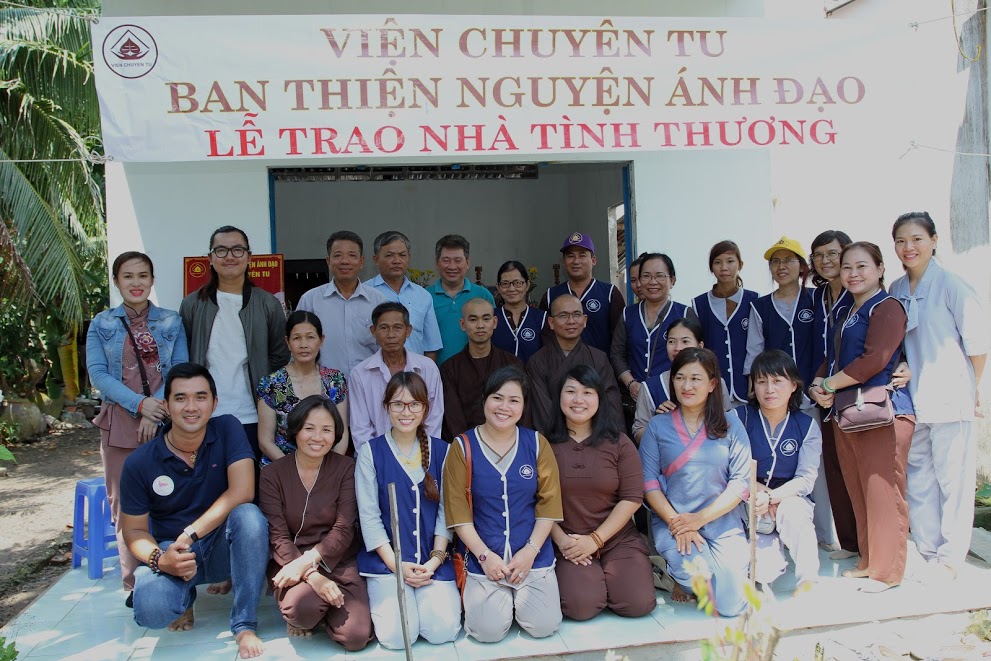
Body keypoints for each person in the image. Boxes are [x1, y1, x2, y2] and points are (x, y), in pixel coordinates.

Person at [119, 363, 269, 659]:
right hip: (173, 551)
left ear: (214, 403)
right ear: (166, 405)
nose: (191, 407)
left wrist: (190, 534)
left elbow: (243, 491)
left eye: (200, 397)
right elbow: (133, 530)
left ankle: (244, 624)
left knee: (250, 517)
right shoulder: (140, 463)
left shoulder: (227, 428)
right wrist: (160, 560)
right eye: (180, 398)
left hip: (221, 547)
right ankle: (183, 596)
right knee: (152, 611)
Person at [810, 241, 915, 593]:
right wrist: (818, 384)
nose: (853, 274)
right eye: (847, 268)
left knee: (883, 491)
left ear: (880, 269)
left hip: (882, 413)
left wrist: (829, 383)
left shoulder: (887, 307)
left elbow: (875, 360)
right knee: (860, 489)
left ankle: (887, 572)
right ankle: (869, 561)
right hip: (849, 412)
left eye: (862, 266)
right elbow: (833, 358)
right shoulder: (848, 311)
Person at [889, 212, 988, 580]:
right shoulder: (896, 289)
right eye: (901, 240)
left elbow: (977, 346)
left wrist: (971, 388)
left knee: (953, 481)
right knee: (919, 480)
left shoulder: (952, 286)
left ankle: (950, 558)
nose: (909, 247)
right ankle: (928, 551)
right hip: (911, 400)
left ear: (933, 240)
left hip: (950, 398)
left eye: (917, 238)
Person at [87, 251, 189, 598]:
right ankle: (135, 585)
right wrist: (141, 405)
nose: (136, 283)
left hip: (164, 423)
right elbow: (99, 375)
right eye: (128, 276)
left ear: (152, 280)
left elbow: (179, 369)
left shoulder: (172, 321)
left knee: (171, 500)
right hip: (119, 424)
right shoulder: (101, 324)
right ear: (116, 281)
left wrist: (154, 410)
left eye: (143, 275)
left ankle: (173, 577)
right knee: (125, 506)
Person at [443, 366, 564, 642]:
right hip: (484, 557)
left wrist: (530, 552)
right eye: (497, 398)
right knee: (487, 632)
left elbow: (548, 505)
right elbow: (458, 512)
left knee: (544, 626)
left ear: (523, 405)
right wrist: (484, 556)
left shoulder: (536, 444)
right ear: (484, 399)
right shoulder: (462, 447)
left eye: (514, 400)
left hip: (532, 555)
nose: (504, 407)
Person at [639, 348, 752, 617]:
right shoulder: (657, 426)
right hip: (674, 522)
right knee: (698, 576)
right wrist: (679, 523)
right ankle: (680, 575)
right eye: (680, 378)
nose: (686, 386)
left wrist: (699, 519)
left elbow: (740, 482)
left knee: (731, 606)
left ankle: (720, 574)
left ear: (712, 384)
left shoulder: (731, 424)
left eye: (695, 378)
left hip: (721, 521)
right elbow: (648, 482)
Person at [355, 372, 462, 649]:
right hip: (388, 562)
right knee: (397, 637)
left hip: (431, 561)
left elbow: (447, 513)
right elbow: (369, 517)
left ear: (425, 408)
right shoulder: (370, 452)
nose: (406, 412)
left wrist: (434, 561)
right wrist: (396, 565)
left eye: (415, 404)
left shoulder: (443, 451)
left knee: (443, 631)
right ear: (386, 407)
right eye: (398, 404)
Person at [258, 395, 372, 650]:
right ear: (296, 429)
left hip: (338, 560)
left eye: (326, 430)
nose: (317, 437)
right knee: (301, 610)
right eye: (309, 428)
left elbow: (344, 529)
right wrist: (310, 574)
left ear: (336, 434)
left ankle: (325, 610)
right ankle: (313, 611)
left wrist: (309, 563)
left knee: (356, 637)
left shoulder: (346, 468)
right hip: (290, 560)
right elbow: (278, 536)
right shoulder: (272, 474)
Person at [546, 365, 655, 621]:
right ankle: (595, 583)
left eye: (587, 392)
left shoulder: (619, 442)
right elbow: (533, 501)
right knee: (581, 606)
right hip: (568, 542)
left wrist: (595, 540)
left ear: (599, 398)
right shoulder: (543, 444)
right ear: (559, 396)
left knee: (637, 604)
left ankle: (610, 581)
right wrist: (562, 541)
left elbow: (632, 498)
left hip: (616, 539)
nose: (578, 399)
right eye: (570, 391)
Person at [179, 225, 290, 464]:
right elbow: (185, 355)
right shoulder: (192, 304)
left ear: (249, 257)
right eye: (221, 250)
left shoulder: (268, 304)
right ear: (210, 258)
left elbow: (279, 356)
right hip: (204, 414)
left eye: (237, 250)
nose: (229, 256)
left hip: (252, 414)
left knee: (251, 480)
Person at [740, 350, 822, 591]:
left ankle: (808, 583)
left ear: (794, 385)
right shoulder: (739, 418)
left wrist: (772, 497)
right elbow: (729, 468)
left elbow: (805, 479)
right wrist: (760, 494)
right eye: (761, 381)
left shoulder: (806, 425)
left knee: (795, 512)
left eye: (777, 381)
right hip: (747, 498)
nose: (769, 389)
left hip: (787, 499)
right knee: (764, 572)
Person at [808, 230, 859, 558]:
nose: (825, 260)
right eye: (819, 255)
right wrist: (816, 384)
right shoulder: (817, 297)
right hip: (823, 392)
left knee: (857, 469)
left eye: (832, 253)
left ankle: (868, 544)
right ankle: (849, 542)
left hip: (853, 390)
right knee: (834, 469)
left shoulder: (858, 294)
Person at [256, 311, 349, 464]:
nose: (303, 344)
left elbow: (342, 434)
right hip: (282, 467)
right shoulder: (271, 384)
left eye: (310, 337)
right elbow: (266, 442)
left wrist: (328, 469)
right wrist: (297, 471)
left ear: (321, 340)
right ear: (287, 342)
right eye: (296, 338)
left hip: (327, 467)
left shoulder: (335, 380)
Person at [349, 302, 444, 450]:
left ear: (408, 330)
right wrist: (375, 457)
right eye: (384, 328)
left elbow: (434, 419)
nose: (391, 335)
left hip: (422, 454)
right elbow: (361, 428)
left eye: (397, 327)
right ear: (373, 331)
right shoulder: (360, 373)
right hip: (375, 456)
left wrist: (421, 454)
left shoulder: (428, 368)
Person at [527, 294, 623, 433]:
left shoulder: (599, 358)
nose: (571, 321)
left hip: (595, 437)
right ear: (551, 322)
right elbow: (541, 411)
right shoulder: (537, 362)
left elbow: (611, 406)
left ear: (584, 320)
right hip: (554, 439)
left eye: (576, 315)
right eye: (563, 315)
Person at [296, 230, 387, 376]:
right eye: (338, 255)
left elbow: (386, 346)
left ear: (361, 262)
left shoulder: (378, 301)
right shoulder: (310, 300)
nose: (345, 261)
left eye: (352, 255)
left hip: (369, 383)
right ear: (328, 261)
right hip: (323, 385)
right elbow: (298, 346)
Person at [612, 253, 694, 411]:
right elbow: (617, 354)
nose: (653, 281)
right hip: (633, 399)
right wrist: (631, 383)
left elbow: (694, 358)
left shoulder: (684, 313)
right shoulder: (628, 314)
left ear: (672, 280)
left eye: (660, 276)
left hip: (672, 399)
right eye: (646, 276)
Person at [632, 317, 732, 442]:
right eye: (671, 341)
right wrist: (659, 423)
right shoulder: (650, 387)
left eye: (685, 341)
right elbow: (638, 432)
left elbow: (729, 425)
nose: (678, 348)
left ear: (700, 346)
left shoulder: (716, 382)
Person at [441, 297, 528, 439]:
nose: (480, 325)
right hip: (466, 444)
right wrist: (467, 445)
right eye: (473, 320)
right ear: (462, 324)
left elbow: (523, 411)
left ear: (494, 322)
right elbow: (453, 418)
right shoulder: (450, 368)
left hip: (508, 441)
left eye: (486, 319)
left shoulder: (513, 364)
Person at [744, 236, 816, 402]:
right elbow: (754, 350)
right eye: (775, 261)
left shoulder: (816, 298)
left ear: (801, 266)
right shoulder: (760, 306)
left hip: (813, 388)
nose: (781, 266)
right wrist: (753, 385)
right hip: (775, 391)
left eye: (788, 260)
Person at [692, 240, 759, 407]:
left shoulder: (754, 300)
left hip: (747, 389)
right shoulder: (699, 304)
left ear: (740, 264)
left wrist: (754, 378)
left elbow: (757, 346)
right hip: (713, 390)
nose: (724, 268)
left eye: (730, 261)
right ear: (711, 267)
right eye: (717, 262)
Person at [541, 232, 625, 354]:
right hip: (561, 364)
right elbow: (545, 338)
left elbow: (620, 340)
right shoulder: (550, 295)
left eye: (582, 255)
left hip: (600, 365)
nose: (576, 261)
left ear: (593, 260)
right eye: (570, 256)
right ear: (563, 261)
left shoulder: (609, 293)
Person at [369, 230, 443, 360]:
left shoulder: (423, 296)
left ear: (409, 257)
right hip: (375, 371)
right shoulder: (365, 293)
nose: (397, 261)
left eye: (402, 255)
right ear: (376, 259)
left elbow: (431, 347)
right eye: (389, 255)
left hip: (414, 371)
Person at [427, 234, 496, 364]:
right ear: (437, 263)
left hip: (478, 370)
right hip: (436, 372)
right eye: (446, 260)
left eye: (458, 260)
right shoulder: (425, 297)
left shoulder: (483, 295)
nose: (452, 266)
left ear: (468, 263)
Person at [492, 260, 547, 364]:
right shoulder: (490, 317)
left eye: (517, 283)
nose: (511, 289)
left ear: (527, 285)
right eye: (505, 284)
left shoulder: (542, 318)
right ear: (498, 287)